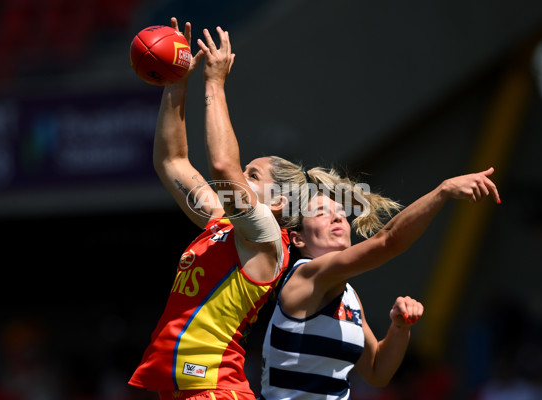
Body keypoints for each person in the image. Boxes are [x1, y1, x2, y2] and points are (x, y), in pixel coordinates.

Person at [127, 20, 323, 400]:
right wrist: (176, 80)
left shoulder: (266, 236)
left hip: (216, 390)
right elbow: (172, 161)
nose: (240, 176)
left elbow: (221, 167)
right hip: (182, 389)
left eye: (253, 174)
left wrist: (214, 84)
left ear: (279, 201)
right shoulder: (223, 224)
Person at [260, 166, 500, 400]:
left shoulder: (349, 296)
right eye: (322, 212)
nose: (337, 217)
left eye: (342, 215)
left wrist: (399, 329)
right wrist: (443, 190)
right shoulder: (305, 275)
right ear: (298, 238)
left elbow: (377, 371)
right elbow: (388, 241)